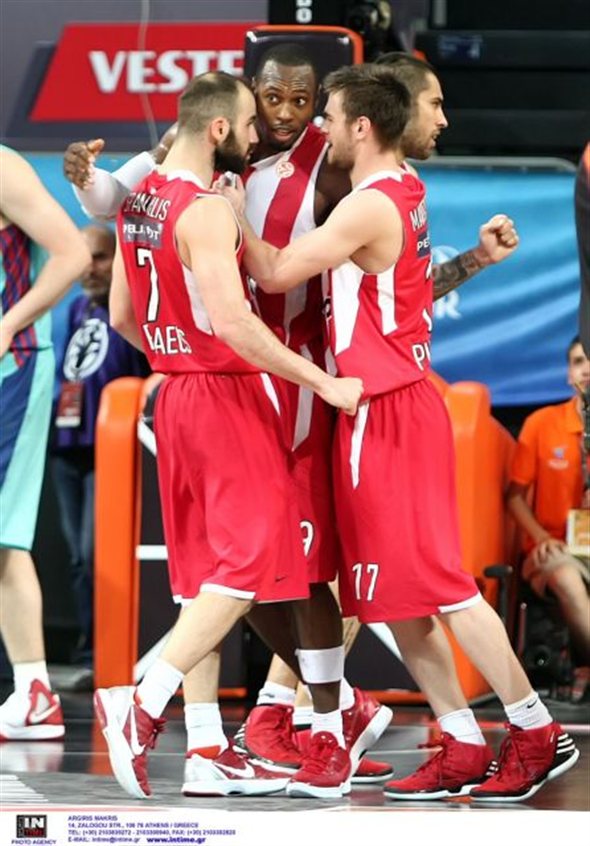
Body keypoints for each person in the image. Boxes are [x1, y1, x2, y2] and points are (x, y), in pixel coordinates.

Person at [227, 61, 580, 803]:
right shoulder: (401, 191)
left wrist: (227, 211)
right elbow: (400, 290)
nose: (319, 129)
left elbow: (278, 271)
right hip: (388, 405)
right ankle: (461, 739)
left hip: (387, 410)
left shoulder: (369, 205)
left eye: (328, 117)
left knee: (444, 588)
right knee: (400, 597)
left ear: (361, 126)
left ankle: (535, 728)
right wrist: (477, 259)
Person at [93, 70, 364, 802]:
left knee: (209, 575)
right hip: (223, 394)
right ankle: (141, 700)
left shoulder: (140, 201)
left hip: (172, 392)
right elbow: (239, 324)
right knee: (249, 566)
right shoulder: (207, 209)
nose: (254, 136)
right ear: (218, 129)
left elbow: (122, 317)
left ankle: (208, 747)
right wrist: (322, 382)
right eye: (247, 124)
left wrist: (178, 351)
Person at [0, 146, 91, 741]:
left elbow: (73, 253)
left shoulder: (4, 168)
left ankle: (34, 692)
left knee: (3, 533)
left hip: (13, 364)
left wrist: (8, 324)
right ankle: (34, 693)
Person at [51, 224, 149, 675]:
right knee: (76, 555)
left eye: (100, 257)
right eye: (84, 258)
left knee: (96, 552)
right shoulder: (75, 309)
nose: (90, 268)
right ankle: (90, 648)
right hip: (66, 444)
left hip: (112, 451)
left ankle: (108, 651)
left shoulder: (131, 308)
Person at [506, 336, 590, 680]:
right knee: (567, 578)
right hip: (553, 548)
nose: (586, 369)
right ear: (569, 373)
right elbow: (513, 497)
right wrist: (541, 537)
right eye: (578, 361)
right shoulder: (542, 423)